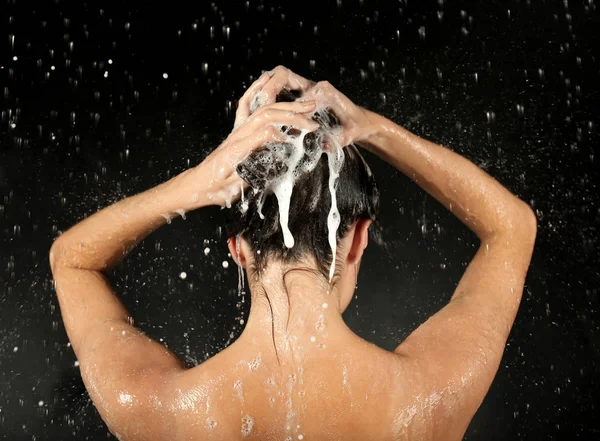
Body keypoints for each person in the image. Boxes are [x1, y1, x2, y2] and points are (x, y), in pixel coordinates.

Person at [49, 66, 537, 441]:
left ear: (239, 250)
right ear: (359, 240)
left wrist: (198, 183)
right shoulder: (422, 402)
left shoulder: (167, 411)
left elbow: (71, 259)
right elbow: (512, 227)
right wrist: (373, 129)